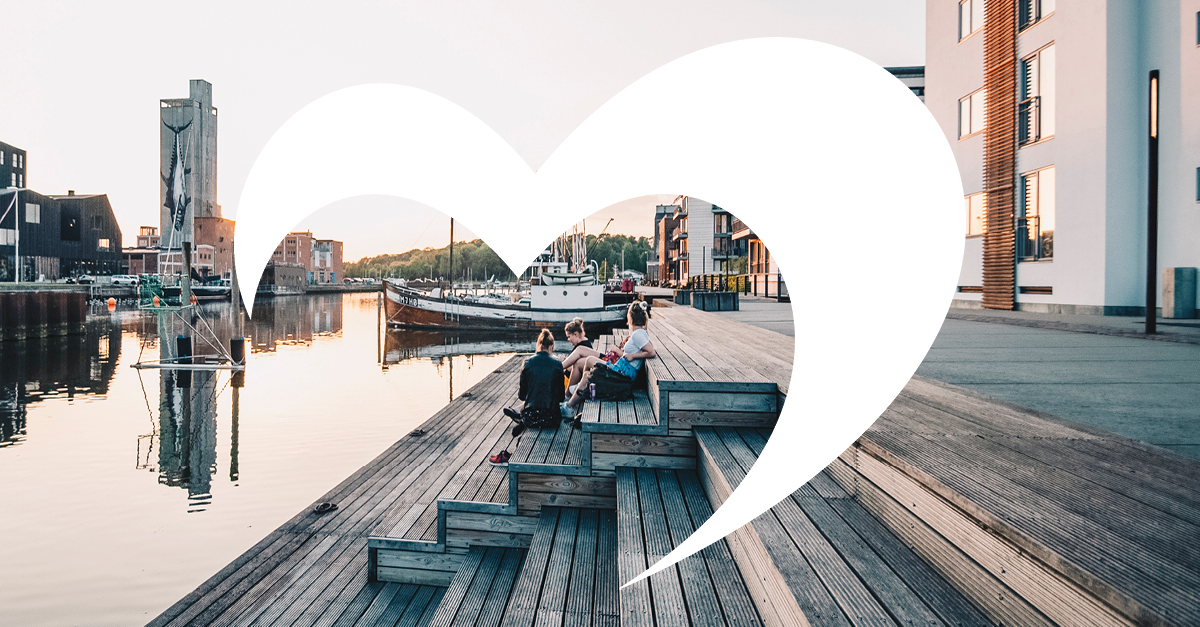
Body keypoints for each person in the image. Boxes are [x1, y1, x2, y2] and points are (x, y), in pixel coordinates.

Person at [561, 301, 655, 416]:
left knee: (590, 361)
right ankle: (571, 400)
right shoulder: (640, 332)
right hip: (621, 368)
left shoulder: (638, 334)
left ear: (630, 317)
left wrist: (633, 356)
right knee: (586, 370)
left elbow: (651, 351)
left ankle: (575, 394)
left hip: (622, 373)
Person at [489, 328, 564, 467]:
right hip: (552, 418)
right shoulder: (558, 365)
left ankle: (512, 448)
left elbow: (522, 396)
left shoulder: (527, 363)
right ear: (551, 346)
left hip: (531, 417)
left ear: (538, 345)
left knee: (528, 410)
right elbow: (560, 398)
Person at [561, 317, 601, 393]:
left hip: (569, 381)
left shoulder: (582, 347)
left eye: (569, 337)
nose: (568, 340)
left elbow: (571, 367)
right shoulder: (584, 342)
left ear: (575, 334)